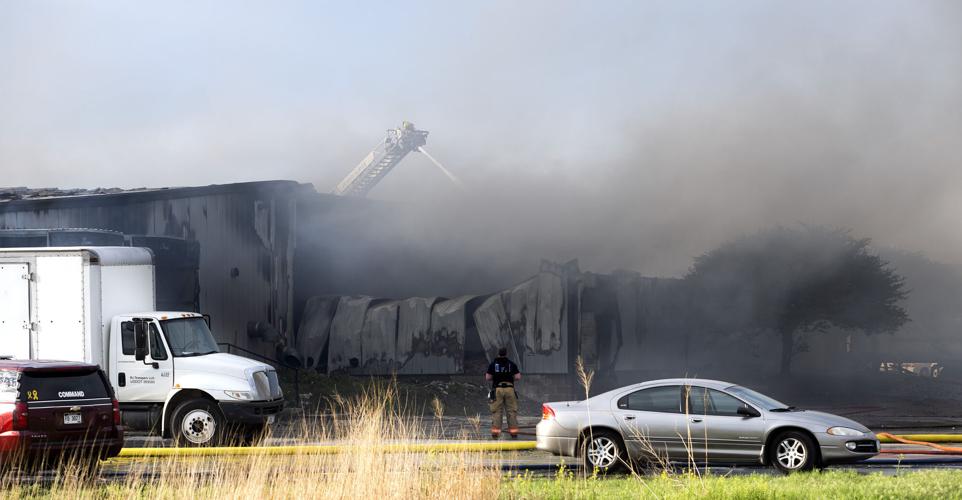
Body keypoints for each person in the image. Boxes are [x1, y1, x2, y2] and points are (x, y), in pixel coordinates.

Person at [485, 347, 521, 439]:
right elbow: (518, 377)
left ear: (498, 354)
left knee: (497, 411)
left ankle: (495, 434)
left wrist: (497, 377)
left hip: (498, 389)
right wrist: (509, 378)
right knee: (511, 411)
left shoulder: (493, 364)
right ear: (506, 354)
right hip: (509, 389)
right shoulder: (511, 364)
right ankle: (513, 434)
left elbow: (488, 377)